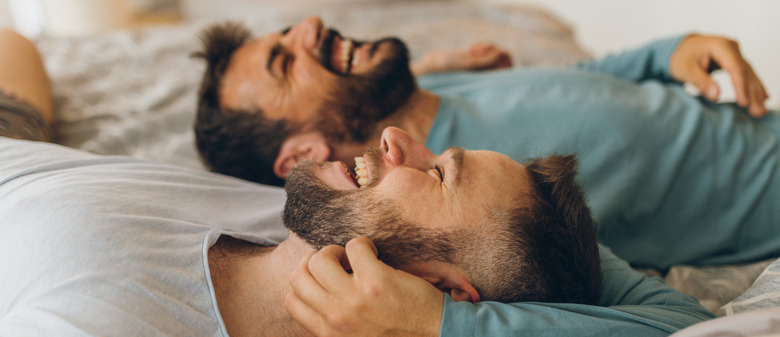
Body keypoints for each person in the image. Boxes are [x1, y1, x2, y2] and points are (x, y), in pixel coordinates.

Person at [1, 28, 714, 337]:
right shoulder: (301, 203)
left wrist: (448, 336)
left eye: (439, 175)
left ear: (444, 289)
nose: (399, 138)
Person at [193, 17, 780, 271]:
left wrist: (667, 53)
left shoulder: (421, 91)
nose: (311, 26)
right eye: (284, 61)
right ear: (299, 157)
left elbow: (577, 86)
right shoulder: (476, 200)